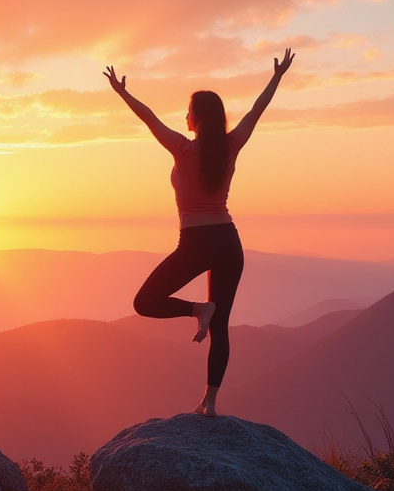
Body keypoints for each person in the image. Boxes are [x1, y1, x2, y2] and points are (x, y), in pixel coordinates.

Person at [104, 49, 294, 417]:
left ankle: (196, 309)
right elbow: (257, 110)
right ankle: (210, 402)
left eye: (188, 111)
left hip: (195, 245)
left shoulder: (180, 147)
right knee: (221, 327)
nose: (185, 117)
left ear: (196, 119)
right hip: (228, 243)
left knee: (144, 302)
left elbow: (148, 118)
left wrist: (122, 92)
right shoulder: (231, 145)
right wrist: (278, 76)